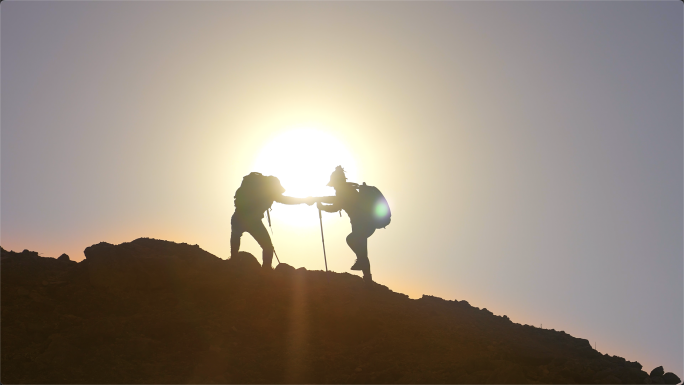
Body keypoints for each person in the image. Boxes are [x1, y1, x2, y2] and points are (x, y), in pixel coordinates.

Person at [231, 172, 314, 269]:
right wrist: (304, 200)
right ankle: (266, 270)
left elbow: (284, 199)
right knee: (268, 247)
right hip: (253, 222)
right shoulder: (270, 193)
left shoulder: (256, 190)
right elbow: (286, 200)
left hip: (238, 217)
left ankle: (233, 261)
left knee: (236, 237)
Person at [316, 166, 378, 282]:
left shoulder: (343, 191)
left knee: (351, 240)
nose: (333, 186)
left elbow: (336, 206)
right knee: (363, 252)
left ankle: (364, 271)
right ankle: (368, 281)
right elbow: (337, 201)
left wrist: (322, 206)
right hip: (366, 224)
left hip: (361, 225)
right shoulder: (349, 189)